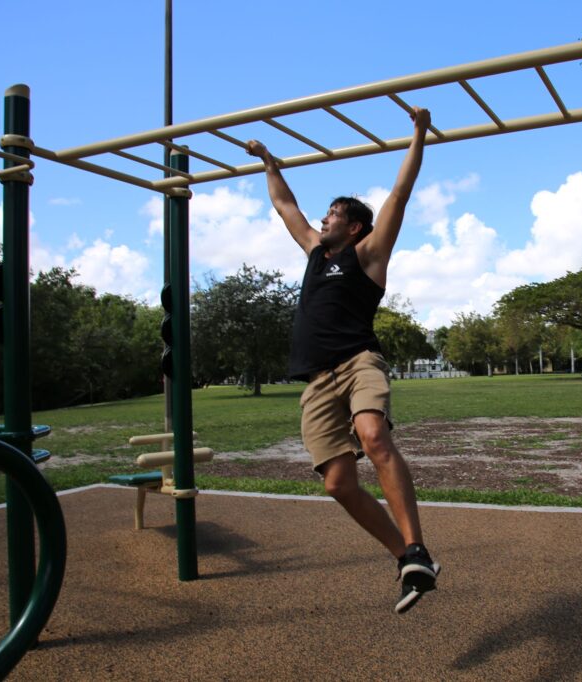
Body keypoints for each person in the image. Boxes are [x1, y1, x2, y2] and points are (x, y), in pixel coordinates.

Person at [245, 106, 439, 614]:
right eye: (325, 214)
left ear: (354, 228)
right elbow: (286, 205)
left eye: (332, 214)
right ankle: (409, 561)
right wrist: (268, 160)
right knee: (337, 483)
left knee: (374, 435)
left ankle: (416, 543)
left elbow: (399, 194)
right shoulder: (313, 252)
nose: (322, 219)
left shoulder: (368, 255)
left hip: (358, 363)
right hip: (316, 382)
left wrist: (418, 134)